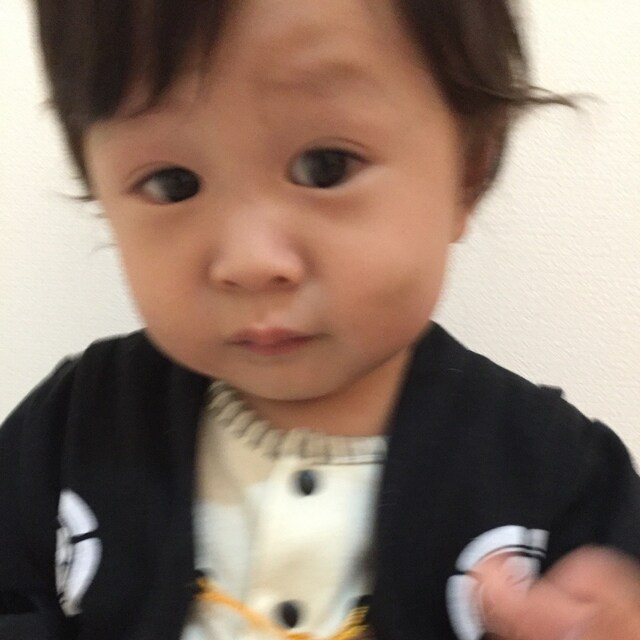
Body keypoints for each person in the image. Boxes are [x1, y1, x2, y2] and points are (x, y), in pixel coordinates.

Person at [1, 1, 639, 639]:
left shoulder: (562, 477)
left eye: (325, 166)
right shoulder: (68, 432)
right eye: (173, 183)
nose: (251, 263)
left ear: (467, 173)